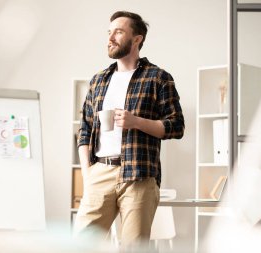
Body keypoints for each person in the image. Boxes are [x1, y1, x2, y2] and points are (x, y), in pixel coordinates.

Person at [74, 11, 185, 248]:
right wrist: (87, 173)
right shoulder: (98, 80)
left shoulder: (158, 78)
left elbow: (177, 126)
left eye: (119, 31)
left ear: (137, 39)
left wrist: (137, 122)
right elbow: (84, 129)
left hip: (140, 176)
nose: (111, 37)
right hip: (100, 171)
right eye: (109, 32)